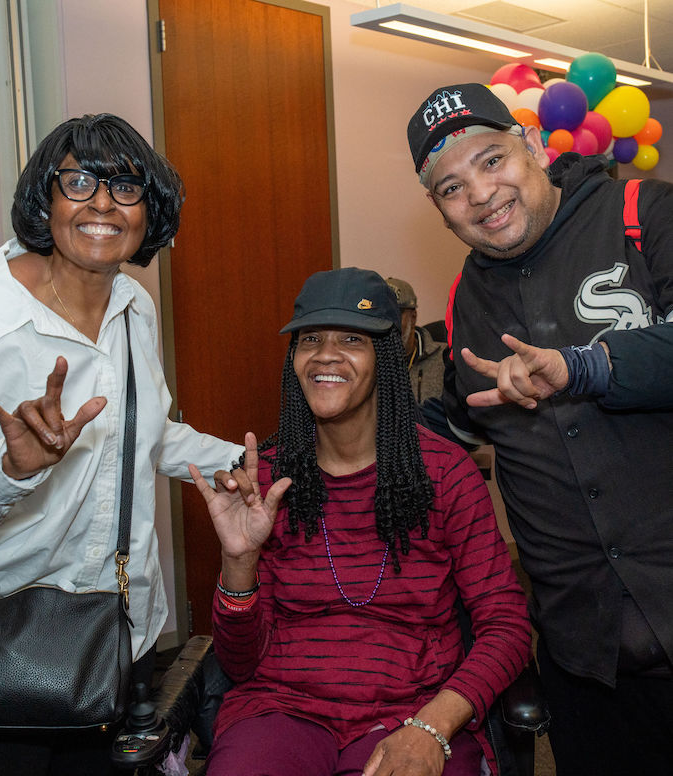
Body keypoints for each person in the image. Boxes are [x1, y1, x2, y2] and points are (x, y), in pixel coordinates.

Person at [0, 113, 243, 775]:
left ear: (150, 210)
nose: (102, 205)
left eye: (126, 187)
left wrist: (238, 463)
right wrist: (10, 470)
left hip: (121, 628)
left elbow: (146, 434)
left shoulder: (134, 304)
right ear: (45, 198)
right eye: (79, 181)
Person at [406, 81, 673, 775]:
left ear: (531, 145)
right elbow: (465, 422)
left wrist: (584, 367)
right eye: (452, 188)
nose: (482, 195)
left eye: (492, 160)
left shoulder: (644, 213)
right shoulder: (469, 296)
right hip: (586, 664)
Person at [189, 267, 530, 776]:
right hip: (282, 709)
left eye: (352, 338)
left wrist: (433, 726)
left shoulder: (446, 474)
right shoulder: (269, 484)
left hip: (414, 710)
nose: (326, 354)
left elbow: (507, 626)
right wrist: (238, 563)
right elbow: (239, 665)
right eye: (310, 340)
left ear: (386, 358)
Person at [385, 276, 446, 404]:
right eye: (381, 315)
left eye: (395, 314)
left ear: (413, 317)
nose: (388, 323)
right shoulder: (368, 361)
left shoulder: (445, 359)